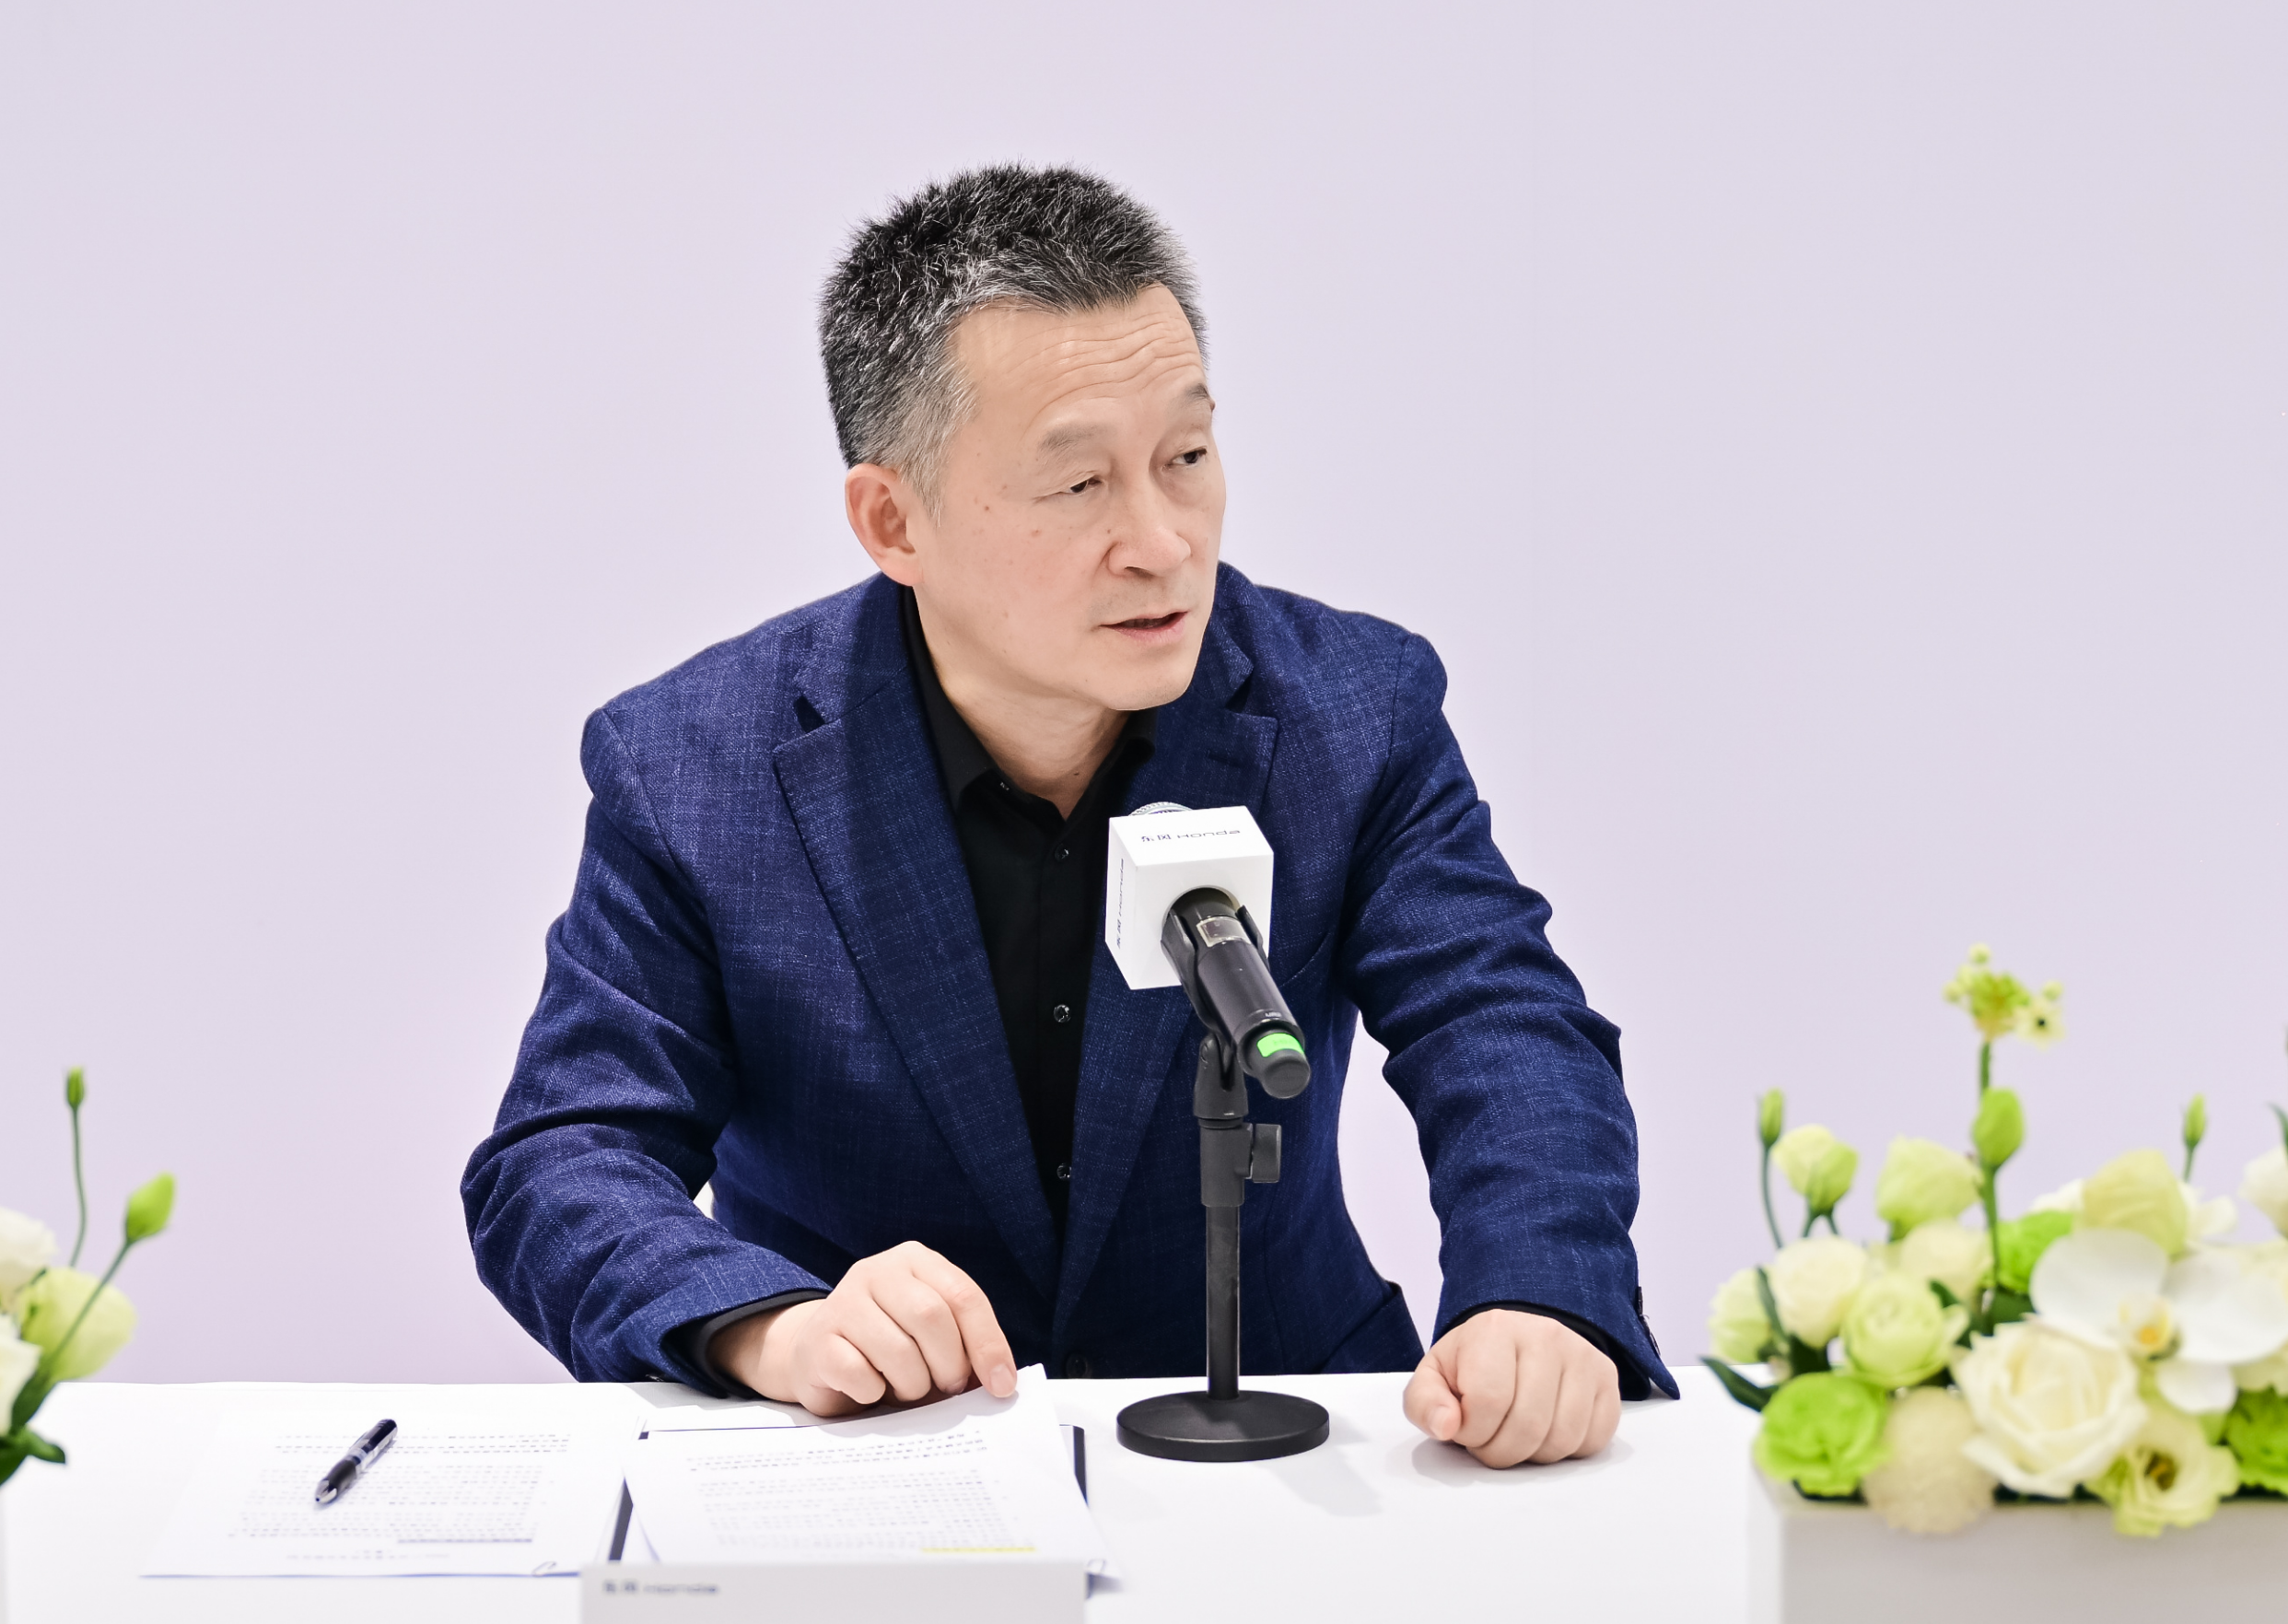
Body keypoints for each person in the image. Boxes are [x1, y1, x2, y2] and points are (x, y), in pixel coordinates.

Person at [463, 165, 1673, 1469]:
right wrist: (774, 1326)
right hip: (880, 1457)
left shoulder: (1352, 709)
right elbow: (564, 1156)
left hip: (1289, 1438)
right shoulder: (693, 767)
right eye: (1079, 484)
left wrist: (1534, 1297)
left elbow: (1501, 1025)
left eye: (1186, 458)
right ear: (893, 520)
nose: (1162, 541)